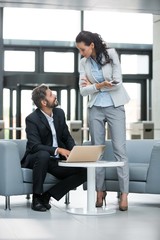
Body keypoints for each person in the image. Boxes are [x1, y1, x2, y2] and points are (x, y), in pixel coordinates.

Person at [75, 30, 130, 211]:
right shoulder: (83, 62)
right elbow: (82, 91)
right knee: (96, 152)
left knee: (119, 150)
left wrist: (93, 86)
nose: (81, 53)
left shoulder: (112, 54)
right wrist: (99, 86)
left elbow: (118, 82)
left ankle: (124, 194)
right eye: (79, 50)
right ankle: (100, 191)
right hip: (95, 108)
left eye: (82, 49)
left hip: (115, 106)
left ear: (91, 45)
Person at [21, 84, 87, 212]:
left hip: (54, 161)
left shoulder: (59, 113)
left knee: (85, 171)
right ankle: (36, 198)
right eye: (51, 95)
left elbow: (66, 137)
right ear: (44, 102)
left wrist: (75, 152)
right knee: (43, 154)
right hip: (36, 159)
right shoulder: (32, 119)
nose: (55, 95)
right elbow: (35, 146)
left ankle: (47, 196)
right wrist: (58, 150)